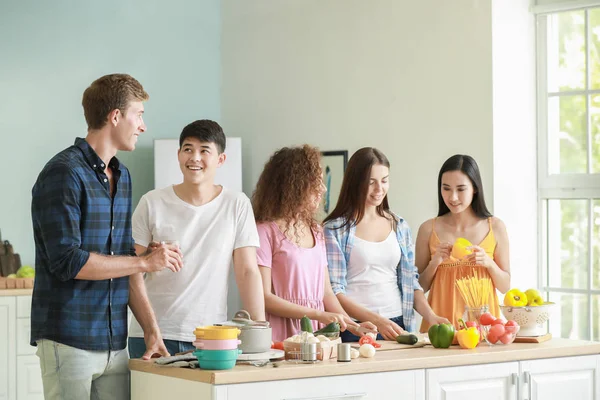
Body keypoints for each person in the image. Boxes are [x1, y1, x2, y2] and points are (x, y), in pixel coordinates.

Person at [31, 73, 183, 400]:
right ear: (116, 116)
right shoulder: (64, 173)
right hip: (68, 338)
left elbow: (127, 263)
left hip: (116, 343)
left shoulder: (122, 176)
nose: (143, 125)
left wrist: (152, 332)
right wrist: (143, 261)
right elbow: (67, 262)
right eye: (138, 115)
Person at [127, 119, 266, 358]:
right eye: (188, 149)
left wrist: (260, 330)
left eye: (204, 151)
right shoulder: (152, 202)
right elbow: (132, 269)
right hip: (152, 333)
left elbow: (247, 271)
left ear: (220, 159)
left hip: (210, 337)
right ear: (179, 154)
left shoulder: (237, 204)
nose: (195, 158)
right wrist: (150, 329)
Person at [251, 145, 377, 342]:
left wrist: (354, 325)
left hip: (317, 336)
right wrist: (317, 314)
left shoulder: (317, 231)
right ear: (294, 185)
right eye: (315, 182)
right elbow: (264, 298)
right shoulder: (264, 231)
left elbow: (326, 293)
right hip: (280, 335)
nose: (323, 188)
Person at [324, 147, 449, 342]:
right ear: (355, 182)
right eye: (371, 182)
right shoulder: (335, 230)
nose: (379, 189)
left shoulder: (399, 225)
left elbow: (410, 281)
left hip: (398, 324)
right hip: (356, 328)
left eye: (384, 180)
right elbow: (334, 291)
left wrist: (431, 316)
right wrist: (376, 320)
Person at [416, 154, 510, 332]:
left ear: (474, 188)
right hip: (441, 330)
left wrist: (488, 263)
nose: (452, 197)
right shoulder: (428, 229)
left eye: (461, 189)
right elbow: (418, 288)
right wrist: (435, 262)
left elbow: (505, 286)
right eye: (446, 188)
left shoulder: (495, 227)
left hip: (484, 330)